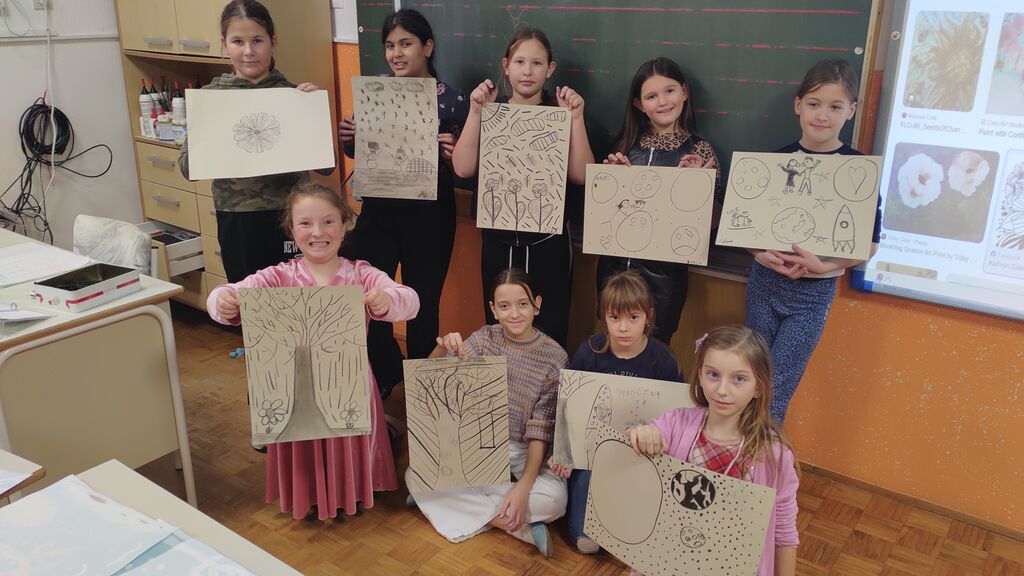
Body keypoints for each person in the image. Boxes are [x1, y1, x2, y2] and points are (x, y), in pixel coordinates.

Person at [207, 182, 420, 519]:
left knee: (346, 441)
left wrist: (386, 300)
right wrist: (224, 300)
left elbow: (410, 300)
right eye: (305, 223)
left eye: (328, 221)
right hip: (297, 389)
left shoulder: (360, 273)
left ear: (345, 225)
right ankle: (310, 489)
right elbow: (225, 295)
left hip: (348, 385)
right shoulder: (278, 276)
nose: (318, 232)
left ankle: (349, 489)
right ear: (292, 230)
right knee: (306, 441)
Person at [338, 9, 469, 399]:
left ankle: (421, 391)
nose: (396, 53)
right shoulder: (376, 92)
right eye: (390, 46)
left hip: (430, 214)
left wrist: (453, 153)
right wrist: (350, 139)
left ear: (427, 47)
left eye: (405, 44)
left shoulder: (453, 101)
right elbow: (360, 152)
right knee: (367, 295)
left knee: (422, 303)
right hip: (380, 209)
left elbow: (468, 167)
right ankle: (385, 373)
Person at [745, 58, 881, 423]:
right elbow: (746, 228)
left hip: (813, 294)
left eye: (835, 106)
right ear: (798, 105)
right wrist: (760, 255)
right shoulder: (775, 162)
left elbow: (869, 244)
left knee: (777, 388)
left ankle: (763, 456)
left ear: (851, 110)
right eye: (814, 104)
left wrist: (825, 266)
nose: (822, 115)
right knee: (750, 377)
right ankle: (738, 452)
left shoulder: (859, 170)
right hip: (765, 285)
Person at [408, 269, 568, 557]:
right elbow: (429, 375)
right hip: (478, 442)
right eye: (504, 306)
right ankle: (513, 526)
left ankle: (442, 500)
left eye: (523, 304)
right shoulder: (484, 339)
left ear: (537, 305)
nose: (514, 313)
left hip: (523, 450)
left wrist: (524, 487)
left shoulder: (554, 357)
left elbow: (541, 430)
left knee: (555, 501)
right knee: (415, 471)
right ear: (493, 309)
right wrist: (442, 348)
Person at [452, 28, 595, 347]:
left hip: (548, 243)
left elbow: (582, 174)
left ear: (550, 69)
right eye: (519, 61)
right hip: (499, 239)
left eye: (537, 63)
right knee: (500, 323)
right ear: (505, 65)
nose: (527, 71)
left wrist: (575, 119)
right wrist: (476, 112)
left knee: (550, 323)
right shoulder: (491, 111)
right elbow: (462, 168)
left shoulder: (560, 114)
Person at [628, 324, 798, 576]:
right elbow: (640, 438)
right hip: (672, 558)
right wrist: (641, 433)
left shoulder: (774, 454)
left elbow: (784, 531)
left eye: (739, 379)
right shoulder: (676, 423)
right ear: (700, 374)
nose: (722, 390)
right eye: (713, 374)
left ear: (759, 386)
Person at [179, 0, 324, 283]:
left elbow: (326, 165)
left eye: (257, 41)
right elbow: (187, 168)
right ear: (224, 44)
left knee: (299, 295)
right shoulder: (210, 99)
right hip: (238, 216)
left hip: (294, 215)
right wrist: (211, 133)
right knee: (249, 297)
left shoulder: (295, 95)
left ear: (273, 42)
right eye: (238, 42)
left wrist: (313, 115)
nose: (248, 51)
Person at [549, 271, 683, 554]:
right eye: (614, 317)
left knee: (643, 510)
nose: (623, 327)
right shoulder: (590, 351)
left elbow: (676, 417)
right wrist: (564, 452)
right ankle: (588, 525)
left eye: (633, 317)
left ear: (648, 316)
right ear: (604, 316)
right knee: (583, 538)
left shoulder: (663, 360)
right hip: (593, 452)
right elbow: (569, 406)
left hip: (641, 453)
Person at [599, 57, 722, 345]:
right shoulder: (625, 145)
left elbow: (715, 221)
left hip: (664, 280)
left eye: (670, 91)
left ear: (684, 92)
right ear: (639, 105)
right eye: (651, 96)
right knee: (614, 347)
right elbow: (604, 214)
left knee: (653, 351)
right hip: (614, 271)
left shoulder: (699, 151)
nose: (663, 102)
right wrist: (611, 181)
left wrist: (697, 189)